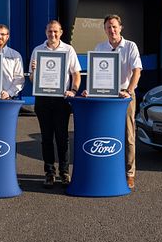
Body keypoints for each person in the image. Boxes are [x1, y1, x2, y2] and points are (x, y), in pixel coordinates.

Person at [29, 20, 81, 188]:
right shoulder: (38, 50)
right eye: (50, 31)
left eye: (56, 31)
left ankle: (64, 172)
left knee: (62, 137)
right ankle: (49, 172)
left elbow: (76, 73)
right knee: (46, 138)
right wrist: (34, 71)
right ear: (46, 32)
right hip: (43, 99)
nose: (53, 34)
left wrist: (73, 90)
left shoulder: (69, 49)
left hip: (61, 99)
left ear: (61, 32)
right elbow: (31, 78)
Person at [93, 14, 142, 189]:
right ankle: (109, 169)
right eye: (108, 27)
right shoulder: (100, 47)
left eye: (114, 26)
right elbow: (96, 73)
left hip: (125, 96)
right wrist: (90, 90)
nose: (111, 30)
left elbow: (137, 71)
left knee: (128, 135)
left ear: (120, 27)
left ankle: (130, 173)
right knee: (106, 134)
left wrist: (129, 91)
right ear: (105, 30)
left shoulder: (130, 46)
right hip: (105, 96)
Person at [0, 24, 24, 99]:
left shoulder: (15, 55)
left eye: (3, 34)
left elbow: (19, 79)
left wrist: (9, 93)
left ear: (7, 36)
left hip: (8, 99)